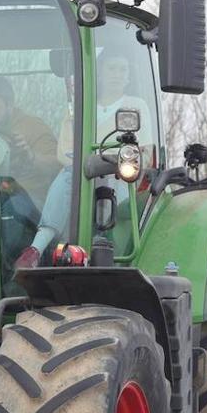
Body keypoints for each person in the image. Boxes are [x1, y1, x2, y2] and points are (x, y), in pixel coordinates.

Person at [13, 55, 150, 268]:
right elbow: (63, 154)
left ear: (128, 76)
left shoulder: (135, 106)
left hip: (120, 180)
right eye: (111, 68)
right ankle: (39, 251)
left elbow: (145, 154)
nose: (117, 74)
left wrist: (111, 160)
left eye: (122, 70)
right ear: (100, 74)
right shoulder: (81, 108)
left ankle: (44, 247)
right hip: (81, 179)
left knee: (77, 176)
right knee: (70, 174)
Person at [0, 75, 58, 200]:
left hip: (27, 198)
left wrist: (31, 156)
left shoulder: (33, 127)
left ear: (10, 105)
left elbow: (58, 166)